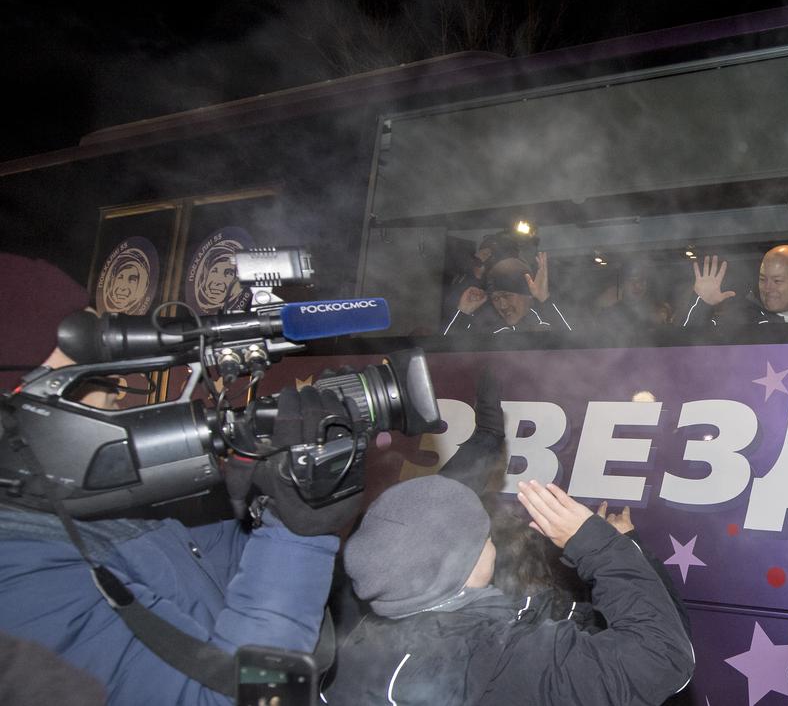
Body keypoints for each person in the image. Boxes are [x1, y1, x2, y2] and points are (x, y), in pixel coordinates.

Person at [0, 253, 359, 704]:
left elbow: (227, 590)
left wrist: (267, 496)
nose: (117, 387)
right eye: (88, 375)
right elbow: (254, 696)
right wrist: (298, 536)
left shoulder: (88, 498)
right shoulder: (18, 588)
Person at [324, 477, 695, 705]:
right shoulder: (494, 658)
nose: (493, 545)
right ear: (463, 562)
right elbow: (663, 657)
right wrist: (600, 545)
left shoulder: (352, 649)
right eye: (485, 538)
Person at [681, 244, 788, 326]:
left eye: (777, 281)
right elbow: (687, 346)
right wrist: (702, 303)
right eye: (763, 279)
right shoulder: (744, 318)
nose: (767, 288)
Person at [443, 252, 573, 334]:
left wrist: (545, 300)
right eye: (495, 298)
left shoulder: (547, 326)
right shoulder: (490, 332)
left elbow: (576, 349)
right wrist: (463, 312)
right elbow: (446, 356)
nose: (503, 305)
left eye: (507, 295)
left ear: (528, 295)